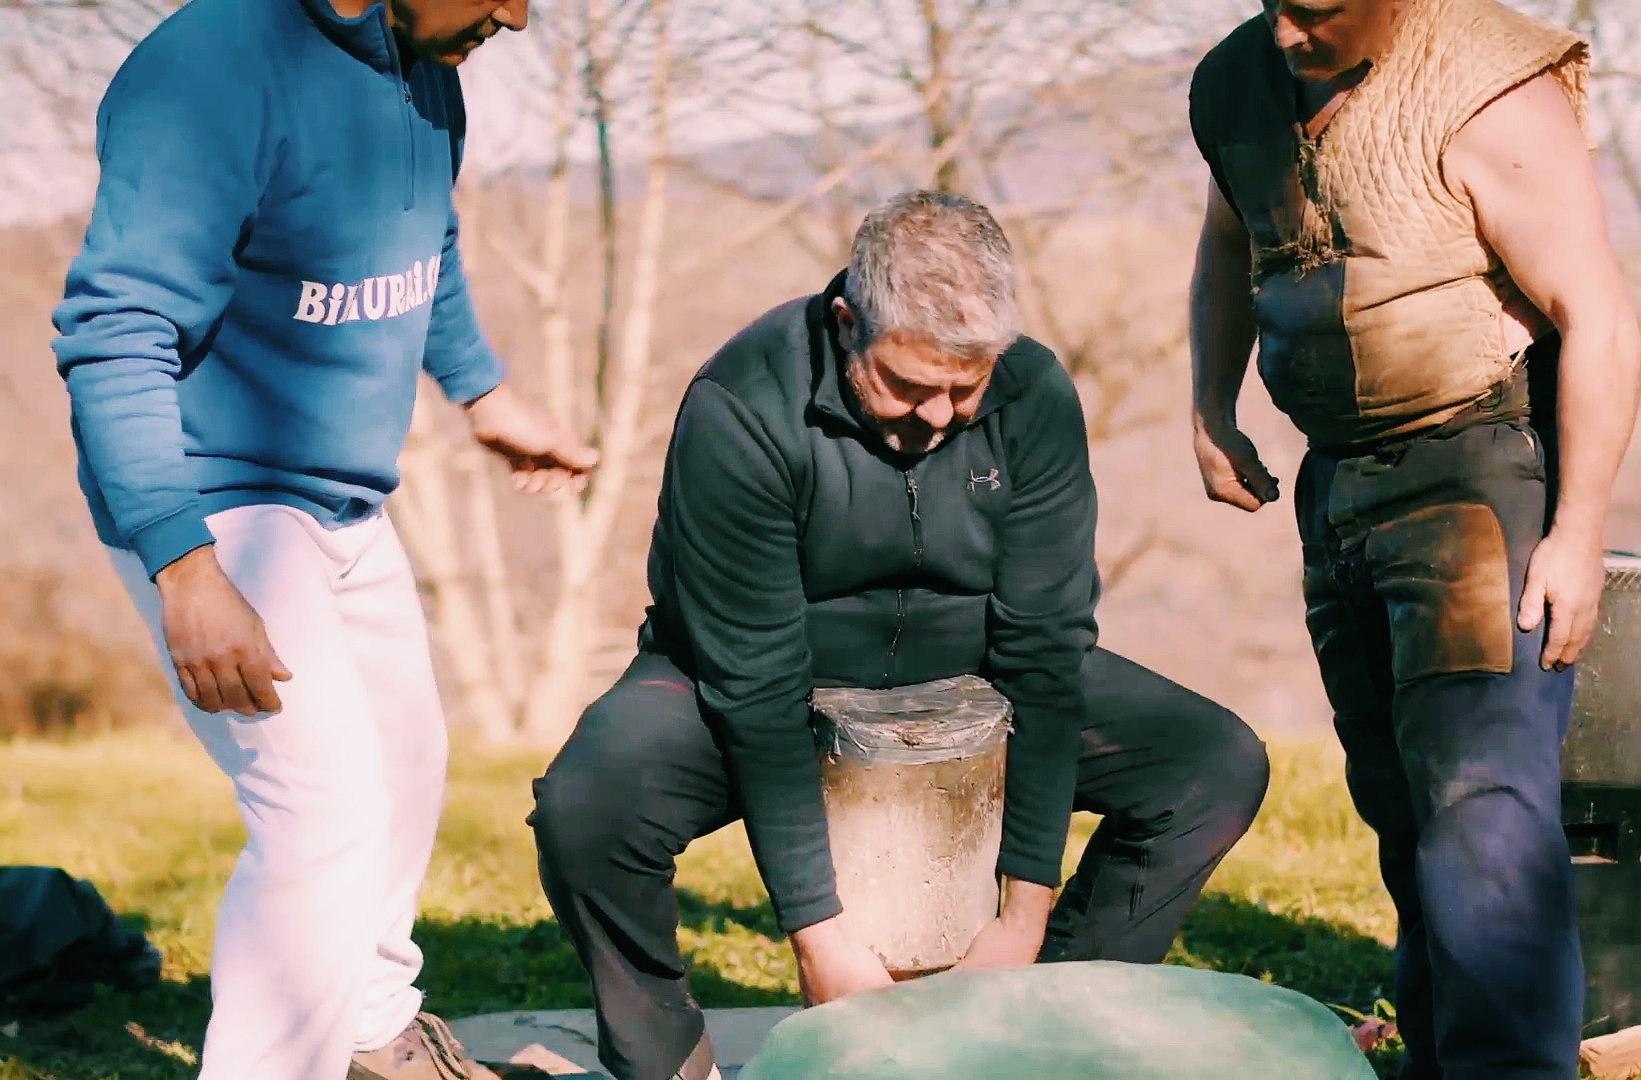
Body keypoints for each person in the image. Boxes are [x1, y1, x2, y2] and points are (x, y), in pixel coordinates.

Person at [527, 190, 1273, 1080]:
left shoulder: (1033, 393)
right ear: (848, 323)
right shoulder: (742, 404)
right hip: (756, 677)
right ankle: (668, 1061)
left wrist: (1021, 919)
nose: (938, 416)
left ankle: (1035, 1029)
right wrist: (820, 937)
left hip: (971, 667)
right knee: (587, 807)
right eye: (909, 386)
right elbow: (756, 687)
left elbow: (1044, 656)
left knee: (1212, 762)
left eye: (965, 388)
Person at [50, 0, 597, 1076]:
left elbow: (423, 237)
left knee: (408, 768)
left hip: (341, 497)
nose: (518, 14)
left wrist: (481, 390)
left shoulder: (423, 59)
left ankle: (369, 1034)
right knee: (322, 814)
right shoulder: (210, 72)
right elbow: (117, 334)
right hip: (216, 500)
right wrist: (186, 565)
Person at [1186, 1, 1641, 1077]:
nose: (1289, 32)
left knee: (1483, 806)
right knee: (1397, 798)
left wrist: (1578, 532)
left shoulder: (1492, 88)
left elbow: (1601, 317)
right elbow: (1228, 238)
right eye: (1277, 3)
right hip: (1336, 479)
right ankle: (1440, 1058)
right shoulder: (1234, 84)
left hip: (1475, 471)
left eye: (1319, 10)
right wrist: (1210, 407)